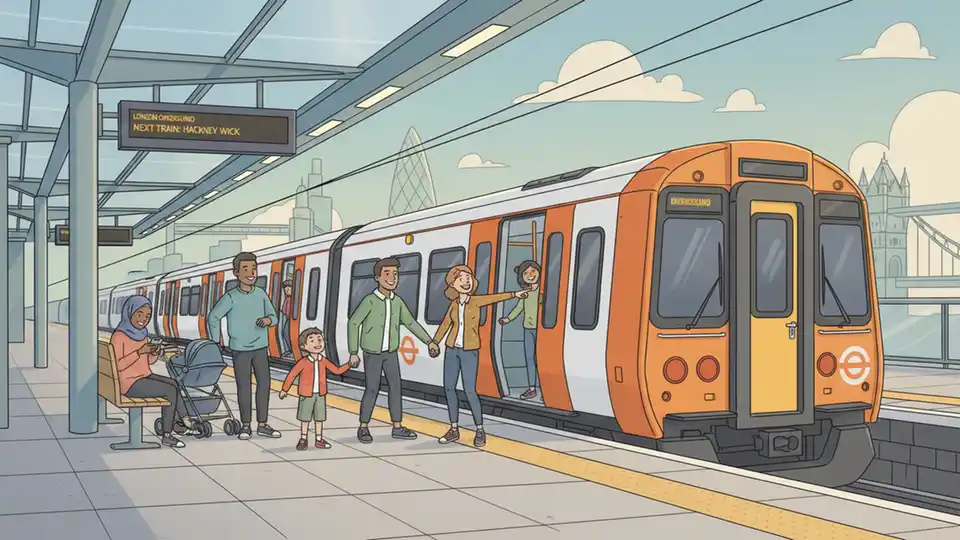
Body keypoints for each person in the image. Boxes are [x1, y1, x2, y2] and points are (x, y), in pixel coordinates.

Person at [430, 265, 527, 447]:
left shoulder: (476, 301)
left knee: (470, 391)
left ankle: (480, 429)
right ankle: (453, 428)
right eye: (461, 279)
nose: (466, 282)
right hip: (452, 350)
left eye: (468, 278)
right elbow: (445, 325)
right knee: (449, 389)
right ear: (453, 284)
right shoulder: (453, 305)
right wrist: (434, 342)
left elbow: (494, 298)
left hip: (469, 351)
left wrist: (515, 294)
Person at [348, 256, 437, 444]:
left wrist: (429, 341)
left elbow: (411, 322)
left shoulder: (397, 302)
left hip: (390, 354)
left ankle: (397, 426)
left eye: (395, 274)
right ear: (378, 278)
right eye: (387, 273)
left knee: (396, 388)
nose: (392, 277)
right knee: (372, 389)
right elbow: (354, 322)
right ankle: (363, 426)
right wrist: (353, 351)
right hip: (372, 353)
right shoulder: (370, 301)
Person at [207, 252, 282, 440]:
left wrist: (268, 320)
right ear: (236, 273)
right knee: (244, 387)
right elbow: (213, 317)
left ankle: (263, 424)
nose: (251, 273)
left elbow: (274, 318)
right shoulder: (231, 297)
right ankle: (246, 425)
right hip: (240, 350)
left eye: (254, 269)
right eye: (246, 269)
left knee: (264, 386)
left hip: (260, 349)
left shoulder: (261, 294)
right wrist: (217, 342)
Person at [111, 295, 188, 448]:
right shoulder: (119, 336)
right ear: (129, 312)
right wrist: (139, 352)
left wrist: (154, 352)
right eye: (139, 314)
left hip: (143, 376)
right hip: (128, 383)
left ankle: (181, 421)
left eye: (147, 316)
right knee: (169, 390)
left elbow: (149, 362)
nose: (143, 319)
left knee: (174, 383)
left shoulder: (142, 334)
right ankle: (168, 434)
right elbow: (118, 365)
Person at [280, 328, 356, 450]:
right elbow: (292, 374)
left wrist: (348, 365)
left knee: (319, 418)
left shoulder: (323, 360)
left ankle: (319, 439)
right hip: (306, 394)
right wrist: (285, 389)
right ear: (304, 346)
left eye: (320, 339)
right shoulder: (303, 362)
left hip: (320, 394)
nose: (317, 343)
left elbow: (336, 370)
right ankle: (303, 438)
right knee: (305, 418)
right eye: (312, 340)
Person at [499, 260, 543, 400]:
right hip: (528, 328)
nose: (530, 275)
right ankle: (532, 388)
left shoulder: (543, 291)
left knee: (541, 359)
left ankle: (544, 387)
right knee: (530, 359)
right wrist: (508, 319)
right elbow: (519, 308)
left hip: (543, 330)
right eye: (526, 273)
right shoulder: (526, 293)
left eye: (533, 271)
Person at [279, 280, 293, 354]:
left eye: (288, 288)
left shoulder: (291, 299)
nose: (286, 290)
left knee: (286, 333)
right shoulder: (287, 298)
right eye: (285, 289)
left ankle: (292, 349)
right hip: (288, 318)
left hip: (291, 319)